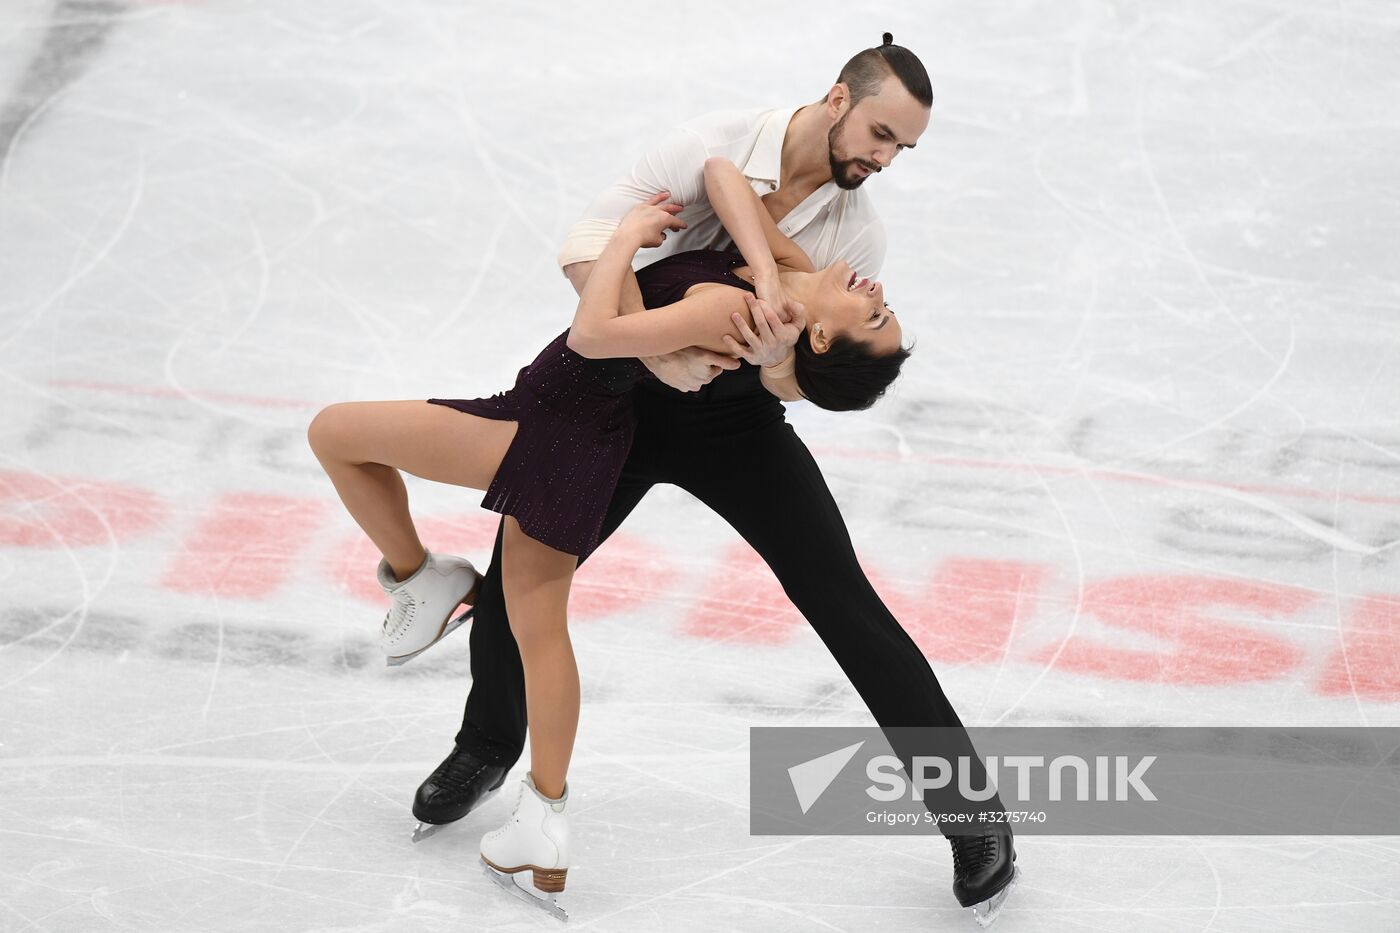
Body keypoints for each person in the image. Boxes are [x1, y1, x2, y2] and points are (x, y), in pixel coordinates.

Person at [402, 34, 1018, 924]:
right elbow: (586, 252)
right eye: (880, 135)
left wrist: (766, 368)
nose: (883, 161)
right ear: (839, 99)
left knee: (845, 602)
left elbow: (816, 369)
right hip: (612, 404)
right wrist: (670, 346)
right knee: (514, 584)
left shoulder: (858, 235)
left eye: (902, 151)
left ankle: (973, 815)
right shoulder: (712, 143)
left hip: (733, 424)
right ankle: (488, 744)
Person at [307, 151, 911, 901]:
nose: (879, 290)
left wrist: (624, 236)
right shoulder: (784, 275)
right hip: (580, 434)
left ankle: (422, 578)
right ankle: (540, 822)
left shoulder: (740, 314)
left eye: (877, 314)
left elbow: (595, 334)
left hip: (552, 430)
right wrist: (759, 269)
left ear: (822, 339)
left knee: (336, 433)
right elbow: (724, 173)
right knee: (532, 625)